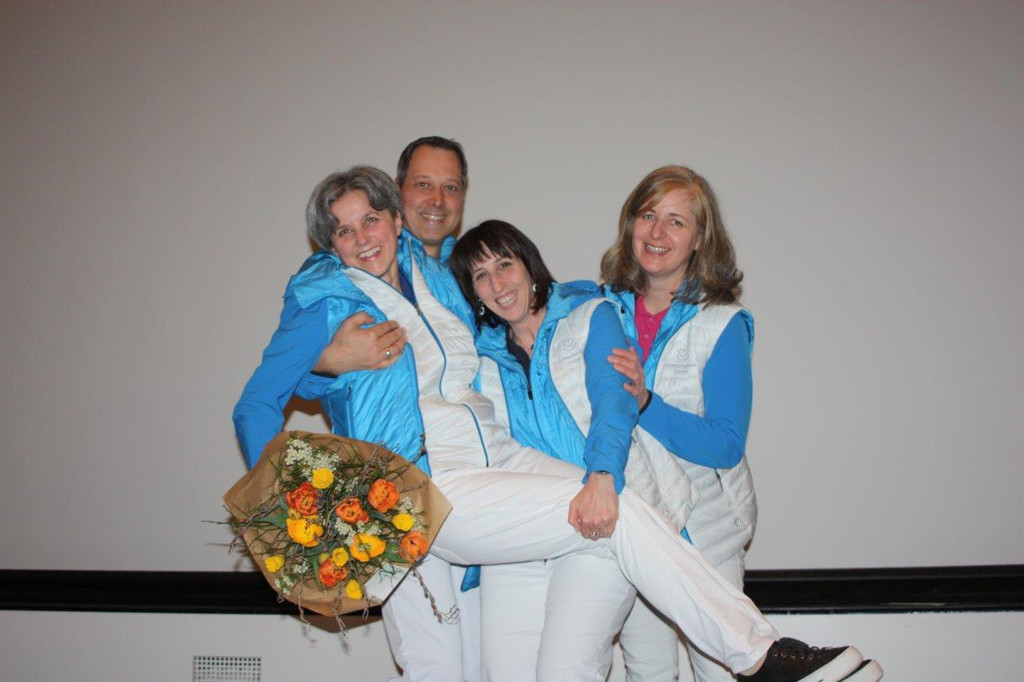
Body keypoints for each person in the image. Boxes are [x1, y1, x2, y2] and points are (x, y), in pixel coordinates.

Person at [234, 165, 871, 682]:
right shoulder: (324, 298)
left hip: (495, 455)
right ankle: (759, 654)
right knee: (447, 655)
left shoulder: (438, 277)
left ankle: (758, 650)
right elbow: (256, 404)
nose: (362, 238)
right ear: (330, 246)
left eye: (371, 219)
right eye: (343, 231)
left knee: (615, 497)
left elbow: (496, 275)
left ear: (396, 220)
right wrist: (292, 513)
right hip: (424, 482)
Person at [601, 166, 882, 682]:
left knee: (720, 670)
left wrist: (646, 402)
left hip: (703, 532)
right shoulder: (599, 312)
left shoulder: (722, 323)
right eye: (648, 215)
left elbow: (726, 445)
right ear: (630, 224)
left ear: (700, 239)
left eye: (676, 221)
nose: (657, 232)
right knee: (647, 671)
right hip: (633, 527)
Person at [450, 219, 702, 680]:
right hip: (520, 534)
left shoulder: (589, 315)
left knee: (566, 670)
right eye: (481, 276)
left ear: (529, 265)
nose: (498, 284)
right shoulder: (478, 358)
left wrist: (602, 476)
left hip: (598, 521)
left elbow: (613, 402)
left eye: (504, 264)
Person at [300, 137, 479, 681]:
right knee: (436, 666)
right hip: (395, 500)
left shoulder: (469, 273)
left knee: (479, 666)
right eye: (423, 184)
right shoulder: (338, 276)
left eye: (451, 187)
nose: (437, 200)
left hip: (470, 496)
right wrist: (324, 360)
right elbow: (288, 369)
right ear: (398, 197)